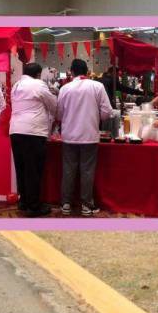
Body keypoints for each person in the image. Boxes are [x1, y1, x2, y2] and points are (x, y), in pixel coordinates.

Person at [57, 59, 113, 216]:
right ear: (87, 71)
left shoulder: (65, 88)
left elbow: (59, 113)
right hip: (89, 135)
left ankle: (66, 204)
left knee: (68, 169)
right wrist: (95, 118)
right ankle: (87, 206)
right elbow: (107, 112)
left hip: (69, 135)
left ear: (71, 71)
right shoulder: (97, 86)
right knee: (87, 171)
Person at [10, 62, 58, 217]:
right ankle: (34, 206)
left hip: (16, 130)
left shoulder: (16, 85)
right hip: (33, 132)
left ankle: (24, 201)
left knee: (22, 168)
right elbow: (53, 105)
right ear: (38, 74)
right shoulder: (38, 84)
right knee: (33, 170)